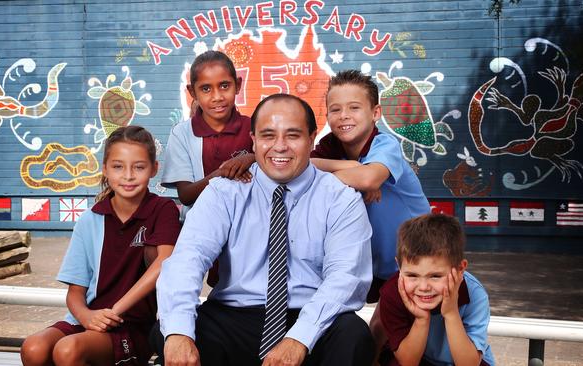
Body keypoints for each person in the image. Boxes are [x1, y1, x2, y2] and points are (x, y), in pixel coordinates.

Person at [152, 94, 375, 366]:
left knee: (353, 335)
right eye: (268, 136)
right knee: (172, 332)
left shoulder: (341, 199)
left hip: (308, 314)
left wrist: (299, 339)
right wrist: (179, 334)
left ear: (311, 138)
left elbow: (346, 278)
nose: (280, 147)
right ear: (253, 140)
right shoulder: (225, 192)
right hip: (235, 316)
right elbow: (189, 258)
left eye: (293, 135)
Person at [20, 126, 181, 366]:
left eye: (138, 167)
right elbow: (75, 292)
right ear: (105, 169)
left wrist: (115, 310)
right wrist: (86, 317)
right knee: (33, 348)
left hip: (131, 325)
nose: (128, 175)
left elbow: (164, 262)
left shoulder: (162, 210)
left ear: (154, 169)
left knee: (67, 351)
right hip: (89, 318)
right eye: (118, 166)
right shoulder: (90, 219)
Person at [311, 69, 431, 303]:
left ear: (375, 113)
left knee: (407, 331)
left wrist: (361, 176)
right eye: (335, 109)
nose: (344, 115)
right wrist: (352, 167)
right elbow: (303, 168)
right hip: (375, 265)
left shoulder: (384, 143)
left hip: (419, 258)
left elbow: (368, 179)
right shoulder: (329, 146)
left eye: (354, 108)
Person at [161, 49, 255, 287]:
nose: (217, 97)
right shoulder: (182, 133)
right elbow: (186, 194)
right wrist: (220, 174)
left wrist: (252, 157)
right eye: (206, 89)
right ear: (192, 92)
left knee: (238, 285)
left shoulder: (254, 127)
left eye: (224, 86)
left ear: (238, 84)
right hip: (201, 225)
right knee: (185, 278)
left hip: (249, 224)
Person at [372, 213, 495, 366]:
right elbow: (408, 362)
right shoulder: (393, 292)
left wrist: (451, 313)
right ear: (399, 267)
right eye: (412, 275)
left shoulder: (474, 294)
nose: (423, 287)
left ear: (460, 269)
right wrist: (421, 319)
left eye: (435, 276)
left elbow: (468, 364)